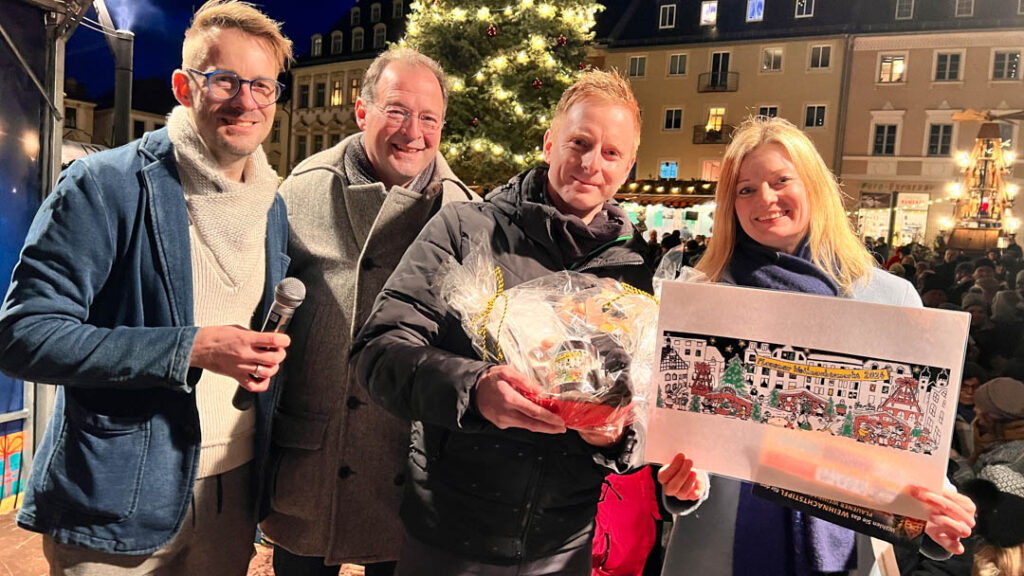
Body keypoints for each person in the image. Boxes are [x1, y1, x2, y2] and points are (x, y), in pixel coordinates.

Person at [350, 70, 704, 575]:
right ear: (549, 142)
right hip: (449, 535)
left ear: (628, 167)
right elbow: (378, 350)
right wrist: (475, 390)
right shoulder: (466, 230)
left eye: (610, 153)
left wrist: (618, 438)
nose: (589, 164)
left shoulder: (638, 273)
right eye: (579, 142)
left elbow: (650, 412)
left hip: (562, 547)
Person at [0, 2, 293, 573]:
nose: (246, 100)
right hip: (115, 498)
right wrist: (191, 348)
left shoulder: (271, 203)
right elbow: (24, 335)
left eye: (262, 85)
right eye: (224, 80)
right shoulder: (105, 184)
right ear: (185, 87)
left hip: (230, 495)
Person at [659, 117, 975, 576]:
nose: (764, 199)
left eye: (780, 180)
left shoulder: (889, 297)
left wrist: (937, 514)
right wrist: (678, 484)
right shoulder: (703, 296)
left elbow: (912, 436)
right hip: (722, 544)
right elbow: (678, 437)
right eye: (744, 190)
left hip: (850, 544)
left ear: (813, 185)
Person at [259, 47, 476, 576]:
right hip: (313, 456)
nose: (413, 132)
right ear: (362, 112)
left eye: (429, 118)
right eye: (397, 110)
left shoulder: (465, 212)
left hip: (408, 467)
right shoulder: (305, 188)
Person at [950, 378, 1024, 576]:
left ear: (991, 416)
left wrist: (958, 462)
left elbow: (990, 512)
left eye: (979, 406)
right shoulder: (998, 439)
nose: (974, 410)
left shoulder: (1008, 461)